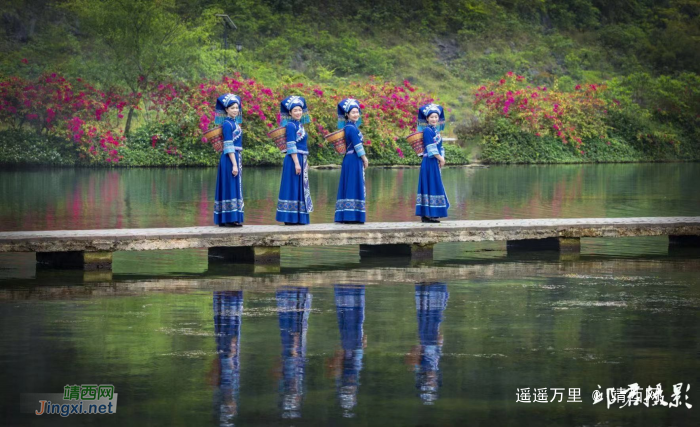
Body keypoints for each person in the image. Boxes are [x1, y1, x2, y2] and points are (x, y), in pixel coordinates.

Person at [275, 96, 313, 225]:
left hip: (301, 159)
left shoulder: (300, 125)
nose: (298, 112)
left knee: (301, 187)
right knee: (292, 187)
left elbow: (303, 146)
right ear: (290, 113)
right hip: (293, 159)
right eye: (295, 110)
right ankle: (290, 218)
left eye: (300, 110)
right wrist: (297, 163)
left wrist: (304, 163)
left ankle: (298, 217)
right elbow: (291, 145)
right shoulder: (290, 125)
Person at [334, 99, 369, 224]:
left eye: (357, 112)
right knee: (353, 184)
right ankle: (351, 216)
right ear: (347, 115)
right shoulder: (351, 128)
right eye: (353, 112)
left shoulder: (350, 127)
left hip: (351, 159)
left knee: (351, 184)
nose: (355, 114)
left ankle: (350, 214)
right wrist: (364, 158)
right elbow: (357, 145)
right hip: (353, 158)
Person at [415, 103, 450, 223]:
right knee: (431, 185)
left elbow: (440, 147)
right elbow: (431, 148)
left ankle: (430, 214)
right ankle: (428, 214)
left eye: (436, 117)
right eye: (432, 117)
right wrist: (440, 158)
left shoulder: (436, 131)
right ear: (427, 119)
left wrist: (441, 158)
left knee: (433, 185)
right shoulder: (427, 131)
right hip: (429, 162)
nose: (434, 119)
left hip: (434, 161)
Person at [213, 94, 244, 227]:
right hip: (229, 158)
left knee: (233, 186)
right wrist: (235, 164)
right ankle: (228, 218)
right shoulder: (227, 124)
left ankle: (229, 217)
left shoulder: (234, 123)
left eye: (237, 108)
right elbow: (229, 145)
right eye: (232, 108)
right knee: (230, 186)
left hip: (234, 157)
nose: (235, 110)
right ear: (226, 110)